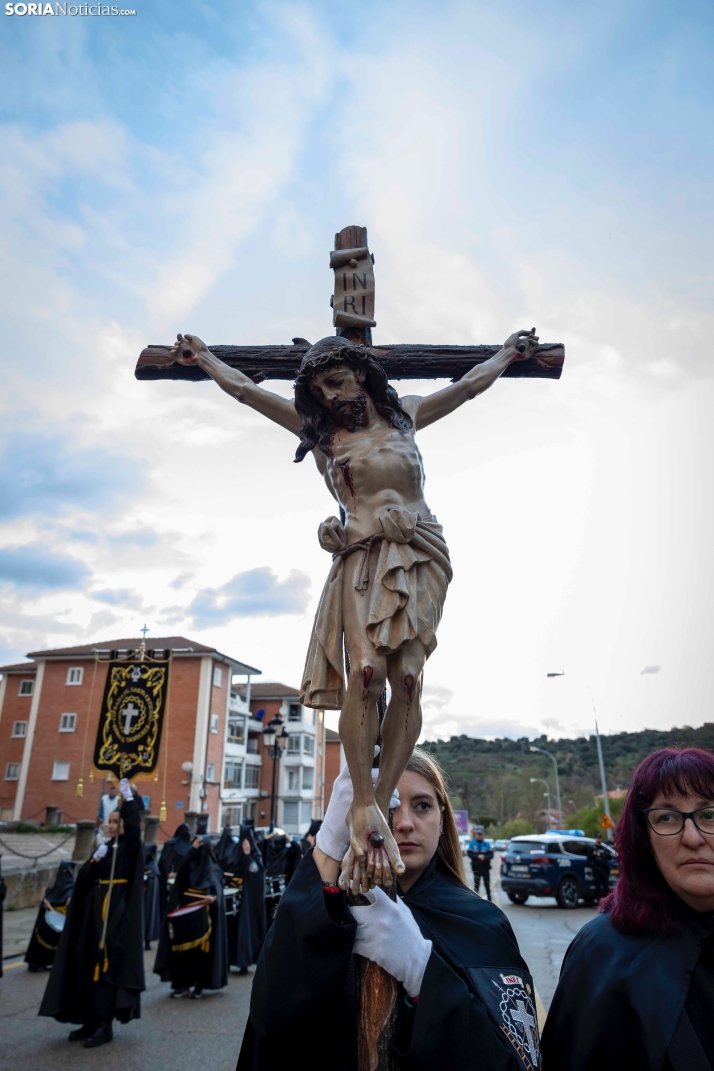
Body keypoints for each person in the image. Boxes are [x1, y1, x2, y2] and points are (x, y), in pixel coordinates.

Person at [171, 327, 539, 881]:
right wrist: (202, 359)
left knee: (408, 678)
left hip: (420, 549)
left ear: (362, 374)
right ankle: (363, 800)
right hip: (362, 554)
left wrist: (509, 354)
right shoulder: (324, 437)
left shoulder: (407, 415)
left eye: (339, 381)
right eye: (322, 389)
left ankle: (379, 801)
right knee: (366, 674)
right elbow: (247, 392)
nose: (333, 395)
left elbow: (467, 387)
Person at [239, 748, 539, 1070]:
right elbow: (272, 1023)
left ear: (442, 820)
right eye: (389, 807)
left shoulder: (483, 923)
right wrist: (327, 851)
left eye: (422, 806)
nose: (405, 823)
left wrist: (423, 973)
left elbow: (513, 1061)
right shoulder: (327, 912)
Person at [542, 747, 714, 1071]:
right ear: (644, 839)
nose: (693, 838)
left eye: (709, 814)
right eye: (666, 817)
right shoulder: (601, 951)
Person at [39, 778, 145, 1048]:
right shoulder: (105, 848)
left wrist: (128, 800)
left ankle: (103, 1023)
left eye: (116, 822)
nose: (111, 825)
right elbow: (84, 878)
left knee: (105, 967)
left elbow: (134, 828)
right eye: (109, 821)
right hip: (92, 914)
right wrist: (94, 861)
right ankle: (87, 1019)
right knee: (84, 964)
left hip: (113, 915)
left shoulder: (129, 847)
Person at [154, 836, 228, 998]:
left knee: (201, 953)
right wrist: (192, 851)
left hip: (204, 913)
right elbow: (181, 873)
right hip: (187, 910)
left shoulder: (214, 868)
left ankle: (200, 984)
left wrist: (214, 899)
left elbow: (218, 893)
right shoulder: (189, 865)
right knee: (183, 951)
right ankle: (183, 984)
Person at [224, 826, 266, 975]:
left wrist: (248, 855)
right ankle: (229, 961)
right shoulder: (234, 851)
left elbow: (256, 872)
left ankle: (244, 963)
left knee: (245, 931)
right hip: (233, 897)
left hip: (248, 901)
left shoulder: (255, 853)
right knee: (231, 930)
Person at [24, 860, 76, 971]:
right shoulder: (53, 888)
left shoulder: (73, 890)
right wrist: (45, 903)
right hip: (47, 925)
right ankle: (38, 963)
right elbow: (47, 900)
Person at [260, 829, 302, 927]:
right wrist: (289, 839)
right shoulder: (271, 852)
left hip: (279, 890)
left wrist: (268, 838)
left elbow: (297, 850)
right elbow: (297, 849)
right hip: (273, 891)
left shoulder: (285, 852)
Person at [157, 821, 192, 914]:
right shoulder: (190, 847)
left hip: (169, 880)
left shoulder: (170, 844)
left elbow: (164, 862)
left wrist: (168, 872)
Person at [467, 825, 494, 901]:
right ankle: (476, 900)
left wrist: (484, 857)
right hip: (476, 867)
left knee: (487, 884)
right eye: (478, 834)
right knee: (476, 885)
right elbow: (469, 854)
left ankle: (489, 900)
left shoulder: (487, 844)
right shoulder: (472, 844)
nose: (479, 836)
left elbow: (491, 855)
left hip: (485, 867)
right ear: (476, 835)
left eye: (481, 834)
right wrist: (477, 856)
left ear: (482, 835)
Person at [142, 843, 161, 950]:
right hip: (142, 899)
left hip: (148, 899)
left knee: (149, 916)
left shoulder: (152, 869)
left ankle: (148, 939)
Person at [586, 832, 611, 903]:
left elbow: (609, 857)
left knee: (606, 886)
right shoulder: (592, 848)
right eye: (597, 838)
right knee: (598, 886)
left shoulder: (604, 848)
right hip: (597, 869)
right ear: (595, 839)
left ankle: (607, 901)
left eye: (599, 838)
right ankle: (599, 901)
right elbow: (589, 858)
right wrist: (594, 855)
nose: (598, 839)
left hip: (605, 870)